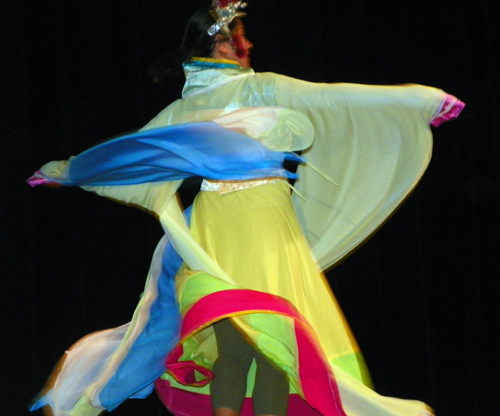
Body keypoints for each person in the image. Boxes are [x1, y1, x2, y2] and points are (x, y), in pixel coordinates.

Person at [28, 2, 464, 416]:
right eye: (241, 36)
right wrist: (421, 101)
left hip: (251, 230)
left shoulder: (223, 98)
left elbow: (131, 153)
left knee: (265, 350)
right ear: (221, 44)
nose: (249, 45)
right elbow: (134, 154)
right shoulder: (239, 94)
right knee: (252, 349)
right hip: (234, 231)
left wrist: (67, 172)